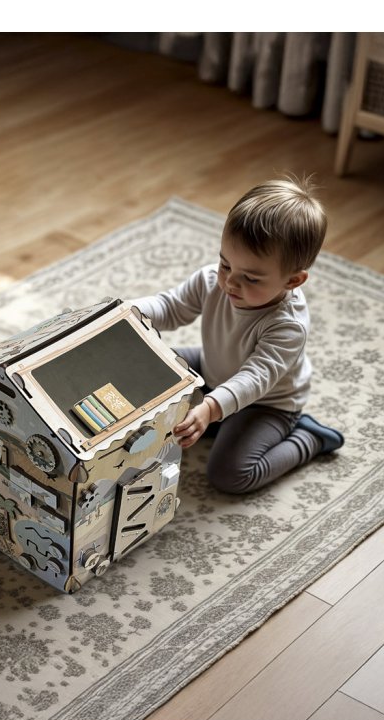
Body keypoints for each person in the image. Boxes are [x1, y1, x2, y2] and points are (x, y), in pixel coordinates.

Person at [130, 175, 343, 494]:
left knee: (230, 475)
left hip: (266, 403)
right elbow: (171, 307)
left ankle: (309, 438)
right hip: (211, 368)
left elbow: (254, 379)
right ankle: (217, 421)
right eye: (225, 264)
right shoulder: (211, 281)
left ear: (292, 281)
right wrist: (126, 313)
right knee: (146, 364)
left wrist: (210, 408)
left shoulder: (288, 325)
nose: (230, 282)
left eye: (251, 278)